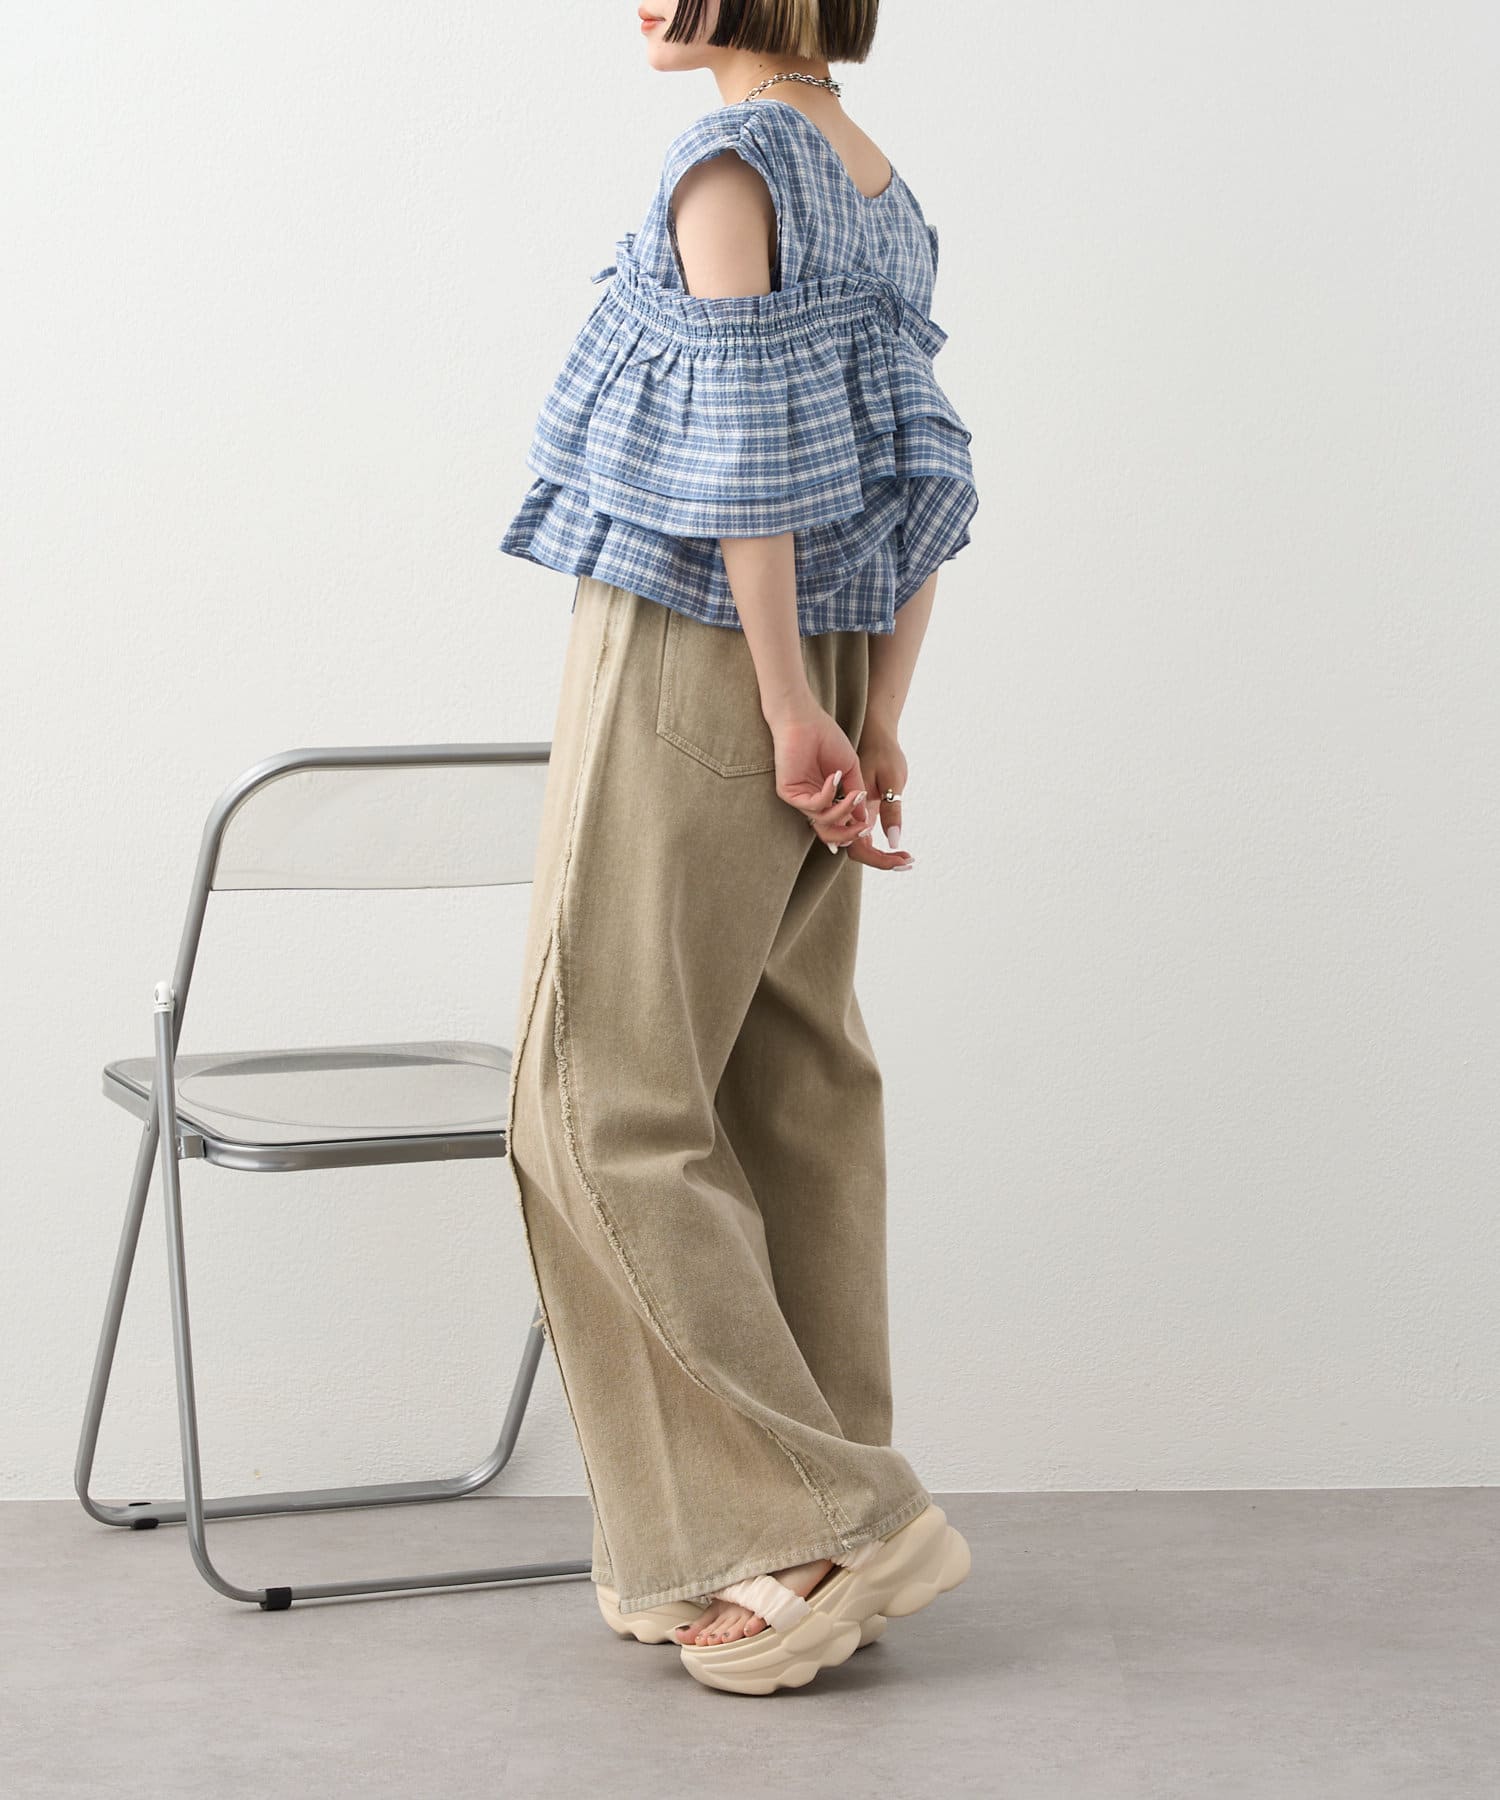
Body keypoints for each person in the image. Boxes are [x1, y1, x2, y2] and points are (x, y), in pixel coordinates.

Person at [498, 0, 977, 1696]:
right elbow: (926, 480)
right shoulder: (878, 183)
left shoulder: (729, 165)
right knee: (786, 1087)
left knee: (596, 1098)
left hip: (710, 654)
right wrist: (874, 709)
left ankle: (817, 1521)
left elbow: (745, 464)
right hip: (827, 661)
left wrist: (783, 705)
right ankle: (779, 1531)